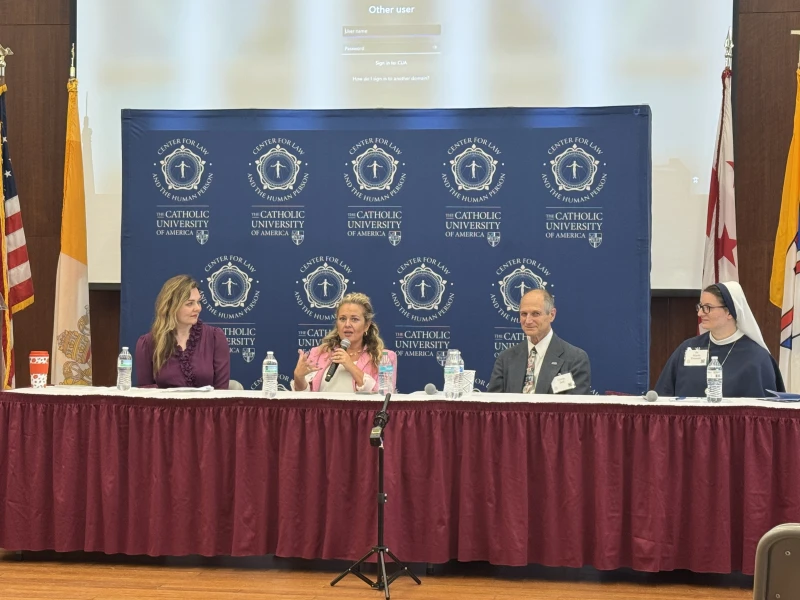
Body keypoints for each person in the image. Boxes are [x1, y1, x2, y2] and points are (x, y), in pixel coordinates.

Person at [655, 281, 784, 397]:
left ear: (729, 312)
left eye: (708, 308)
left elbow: (765, 412)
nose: (700, 313)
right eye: (700, 307)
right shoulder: (687, 348)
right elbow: (663, 397)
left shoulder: (757, 358)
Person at [488, 288, 591, 394]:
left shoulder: (575, 359)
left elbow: (575, 404)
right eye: (524, 314)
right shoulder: (505, 358)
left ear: (552, 315)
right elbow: (493, 403)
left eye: (535, 314)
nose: (528, 321)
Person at [135, 274, 230, 389]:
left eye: (198, 302)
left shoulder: (215, 337)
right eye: (190, 303)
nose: (198, 308)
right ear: (171, 307)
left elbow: (222, 392)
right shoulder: (148, 343)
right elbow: (146, 393)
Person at [293, 292, 397, 392]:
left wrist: (350, 366)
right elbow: (305, 396)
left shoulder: (385, 358)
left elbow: (385, 394)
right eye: (342, 319)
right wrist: (299, 377)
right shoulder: (318, 353)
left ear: (366, 325)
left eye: (354, 319)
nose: (347, 324)